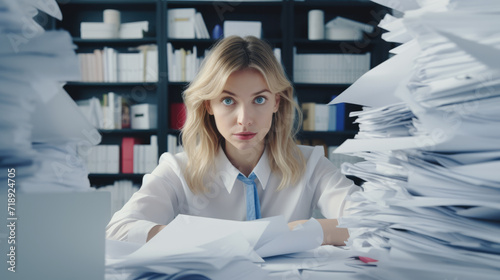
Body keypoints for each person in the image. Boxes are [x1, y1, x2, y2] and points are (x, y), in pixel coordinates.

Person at [106, 36, 360, 245]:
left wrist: (301, 230)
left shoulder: (310, 163)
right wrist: (213, 236)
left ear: (276, 102)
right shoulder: (178, 169)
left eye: (259, 99)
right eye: (228, 100)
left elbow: (372, 223)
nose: (244, 119)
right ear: (209, 106)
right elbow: (118, 230)